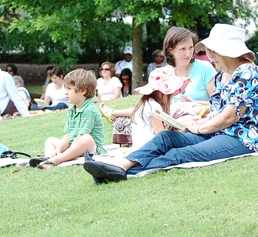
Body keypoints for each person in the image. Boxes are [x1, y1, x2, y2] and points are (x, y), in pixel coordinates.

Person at [83, 23, 258, 184]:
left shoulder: (246, 72)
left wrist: (198, 128)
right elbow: (215, 111)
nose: (210, 56)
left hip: (239, 138)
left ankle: (114, 174)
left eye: (213, 51)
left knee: (179, 154)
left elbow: (229, 117)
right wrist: (191, 124)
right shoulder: (221, 75)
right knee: (167, 137)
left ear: (226, 49)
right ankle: (119, 165)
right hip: (215, 132)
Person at [29, 69, 106, 169]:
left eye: (69, 89)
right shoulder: (72, 110)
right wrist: (60, 149)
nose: (66, 92)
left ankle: (57, 159)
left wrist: (67, 150)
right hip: (73, 146)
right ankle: (49, 158)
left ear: (83, 91)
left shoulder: (89, 110)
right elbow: (68, 135)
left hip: (90, 148)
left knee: (87, 138)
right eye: (65, 88)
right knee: (50, 140)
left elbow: (81, 136)